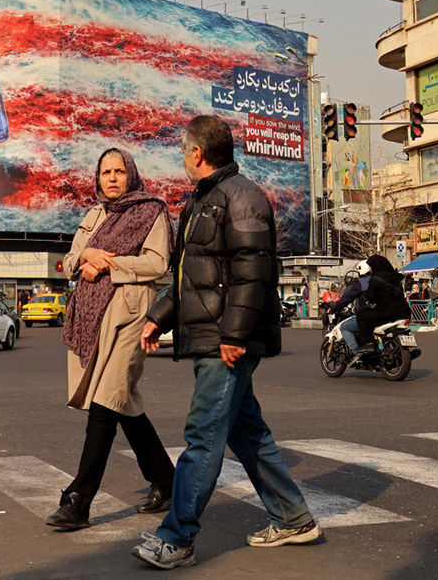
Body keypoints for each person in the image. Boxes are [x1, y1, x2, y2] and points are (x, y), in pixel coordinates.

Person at [135, 115, 320, 569]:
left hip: (224, 341)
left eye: (183, 150)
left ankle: (177, 538)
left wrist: (235, 336)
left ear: (197, 154)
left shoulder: (242, 197)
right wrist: (158, 318)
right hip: (212, 337)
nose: (182, 157)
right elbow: (188, 279)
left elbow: (253, 270)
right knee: (245, 432)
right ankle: (294, 518)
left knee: (202, 437)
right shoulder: (201, 202)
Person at [46, 147, 176, 531]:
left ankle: (78, 500)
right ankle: (167, 481)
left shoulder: (150, 210)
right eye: (106, 172)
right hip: (93, 314)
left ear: (131, 174)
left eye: (120, 171)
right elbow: (69, 261)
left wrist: (110, 262)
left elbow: (157, 263)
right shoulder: (95, 214)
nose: (113, 178)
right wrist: (88, 257)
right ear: (98, 177)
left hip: (131, 315)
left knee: (106, 403)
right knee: (124, 404)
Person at [355, 255, 411, 352]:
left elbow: (370, 296)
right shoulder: (395, 276)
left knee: (361, 316)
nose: (369, 269)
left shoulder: (376, 278)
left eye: (370, 266)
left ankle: (368, 344)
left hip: (387, 311)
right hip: (404, 311)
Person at [330, 260, 371, 353]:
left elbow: (347, 298)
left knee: (344, 327)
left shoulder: (362, 282)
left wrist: (334, 307)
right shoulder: (380, 280)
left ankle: (355, 352)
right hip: (387, 313)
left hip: (368, 315)